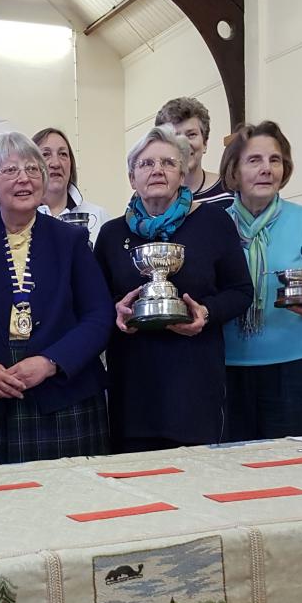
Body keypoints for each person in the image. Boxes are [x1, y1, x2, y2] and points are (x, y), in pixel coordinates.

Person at [0, 132, 113, 469]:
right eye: (10, 170)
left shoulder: (71, 241)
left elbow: (99, 316)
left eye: (32, 169)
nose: (24, 178)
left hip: (62, 398)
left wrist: (51, 362)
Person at [94, 125, 252, 452]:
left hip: (195, 379)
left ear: (182, 174)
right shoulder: (111, 235)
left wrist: (206, 313)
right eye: (146, 164)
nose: (157, 170)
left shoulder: (213, 222)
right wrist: (117, 311)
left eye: (168, 162)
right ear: (131, 178)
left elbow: (240, 291)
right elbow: (95, 304)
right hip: (133, 384)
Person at [218, 121, 302, 441]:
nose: (267, 169)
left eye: (275, 160)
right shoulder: (216, 225)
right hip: (230, 367)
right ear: (234, 170)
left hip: (296, 367)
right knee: (234, 471)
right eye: (254, 160)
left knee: (296, 469)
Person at [31, 126, 109, 246]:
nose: (56, 163)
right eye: (45, 154)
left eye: (62, 154)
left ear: (71, 164)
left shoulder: (98, 216)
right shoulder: (13, 216)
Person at [155, 96, 234, 209]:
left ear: (205, 142)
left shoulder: (229, 192)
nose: (184, 144)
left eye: (191, 134)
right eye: (174, 136)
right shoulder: (149, 198)